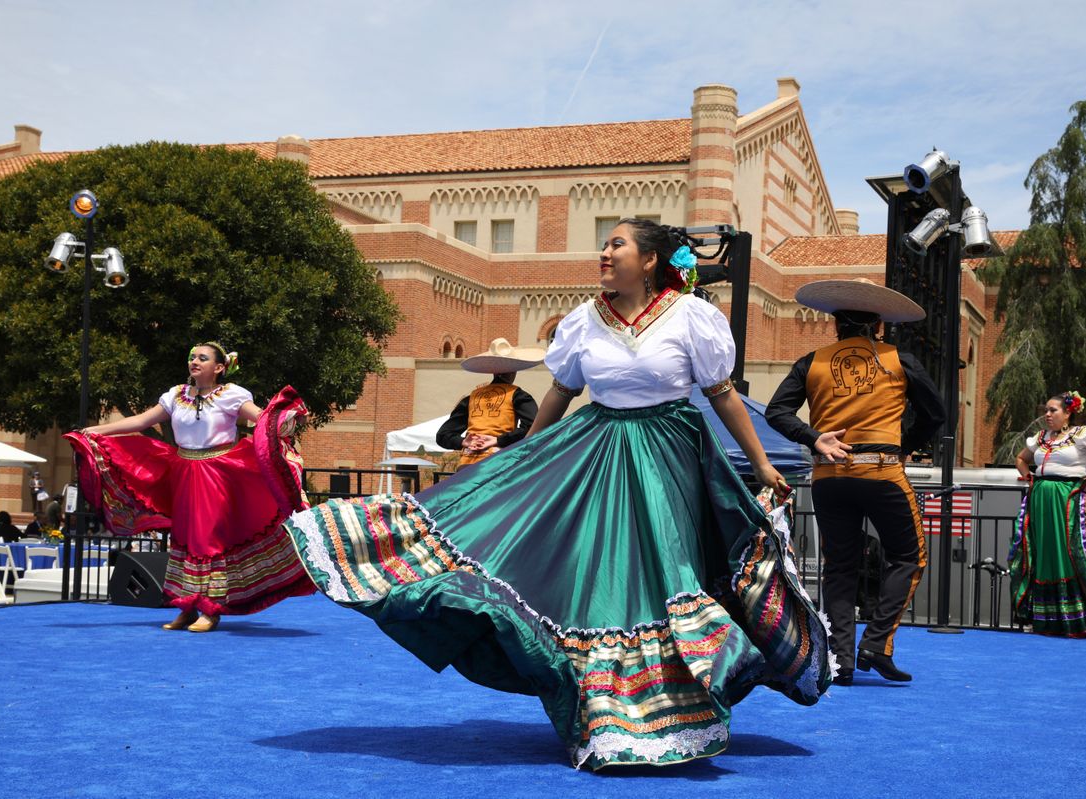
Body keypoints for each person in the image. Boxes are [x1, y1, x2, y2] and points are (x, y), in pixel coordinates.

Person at [281, 219, 832, 770]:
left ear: (649, 261)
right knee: (599, 579)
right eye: (605, 242)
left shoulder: (692, 317)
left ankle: (668, 702)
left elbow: (724, 395)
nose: (605, 251)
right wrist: (523, 459)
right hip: (595, 451)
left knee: (663, 573)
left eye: (618, 243)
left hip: (668, 457)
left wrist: (763, 464)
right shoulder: (584, 321)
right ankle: (604, 709)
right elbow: (560, 393)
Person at [764, 279, 945, 685]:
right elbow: (936, 414)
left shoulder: (812, 361)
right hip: (881, 469)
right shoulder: (899, 359)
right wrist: (905, 446)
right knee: (908, 557)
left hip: (829, 473)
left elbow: (777, 412)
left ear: (836, 327)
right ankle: (876, 644)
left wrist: (814, 438)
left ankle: (841, 659)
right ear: (878, 327)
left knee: (840, 568)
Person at [64, 341, 315, 632]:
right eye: (192, 357)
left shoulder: (232, 395)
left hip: (217, 474)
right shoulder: (175, 395)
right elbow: (141, 420)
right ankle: (185, 606)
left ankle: (210, 609)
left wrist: (286, 417)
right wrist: (97, 431)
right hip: (183, 471)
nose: (194, 361)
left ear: (219, 368)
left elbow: (263, 420)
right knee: (182, 538)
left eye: (203, 358)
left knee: (208, 539)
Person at [1010, 392, 1086, 636]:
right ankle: (1049, 619)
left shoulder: (1083, 434)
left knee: (1072, 553)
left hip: (1069, 500)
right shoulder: (1040, 438)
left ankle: (1081, 620)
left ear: (1067, 413)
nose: (1047, 414)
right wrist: (1028, 476)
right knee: (1045, 554)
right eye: (1046, 410)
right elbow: (1021, 458)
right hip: (1042, 499)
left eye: (1053, 410)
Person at [435, 339, 541, 468]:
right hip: (498, 464)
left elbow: (442, 436)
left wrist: (464, 441)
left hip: (467, 465)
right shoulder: (518, 395)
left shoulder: (471, 397)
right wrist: (498, 440)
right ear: (514, 370)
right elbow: (535, 426)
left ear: (493, 371)